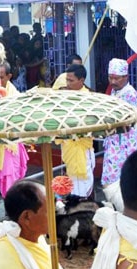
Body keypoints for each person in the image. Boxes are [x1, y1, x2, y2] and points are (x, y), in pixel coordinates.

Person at [101, 58, 137, 211]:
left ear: (126, 77)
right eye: (110, 77)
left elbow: (131, 121)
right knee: (110, 181)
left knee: (120, 182)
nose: (112, 81)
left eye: (116, 78)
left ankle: (125, 212)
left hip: (124, 147)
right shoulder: (114, 91)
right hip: (113, 143)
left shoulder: (130, 94)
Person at [0, 61, 29, 198]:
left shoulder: (14, 95)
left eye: (1, 77)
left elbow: (19, 120)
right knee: (3, 180)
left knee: (13, 178)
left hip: (12, 144)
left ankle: (14, 207)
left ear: (9, 76)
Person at [57, 64, 95, 198]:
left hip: (82, 149)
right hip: (68, 148)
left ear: (82, 80)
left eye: (71, 80)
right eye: (67, 80)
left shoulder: (88, 98)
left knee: (84, 186)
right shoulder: (64, 96)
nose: (67, 83)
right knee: (73, 186)